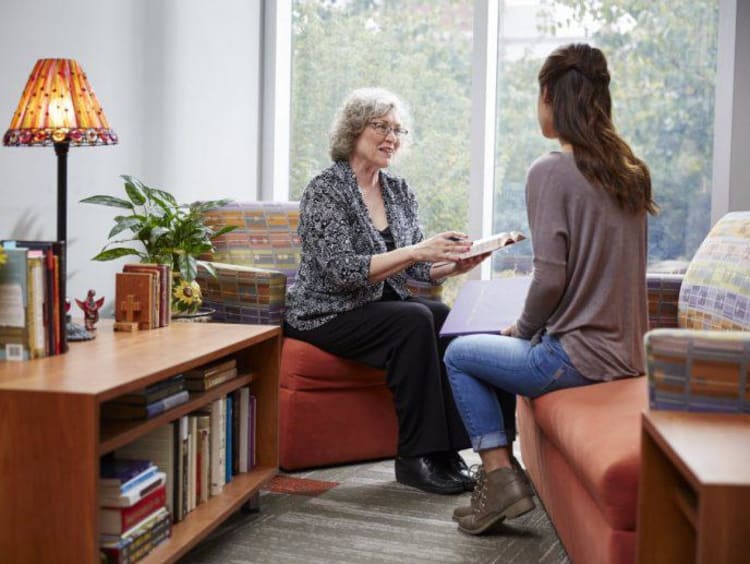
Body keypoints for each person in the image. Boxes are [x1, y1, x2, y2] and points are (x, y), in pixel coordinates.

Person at [445, 43, 658, 534]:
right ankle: (500, 483)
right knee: (487, 352)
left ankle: (499, 479)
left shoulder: (551, 170)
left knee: (459, 355)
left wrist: (522, 328)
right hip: (628, 356)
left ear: (549, 97)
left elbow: (550, 278)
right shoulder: (630, 171)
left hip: (576, 360)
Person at [283, 87, 489, 495]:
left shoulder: (398, 190)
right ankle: (416, 457)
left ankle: (448, 452)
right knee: (413, 319)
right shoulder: (325, 190)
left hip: (377, 306)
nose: (392, 137)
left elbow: (417, 272)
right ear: (354, 131)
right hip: (324, 312)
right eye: (382, 126)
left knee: (440, 317)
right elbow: (342, 272)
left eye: (398, 130)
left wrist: (453, 266)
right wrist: (417, 250)